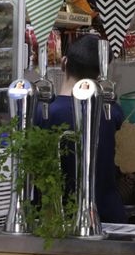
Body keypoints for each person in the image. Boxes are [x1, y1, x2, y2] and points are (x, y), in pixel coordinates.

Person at [37, 35, 126, 224]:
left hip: (56, 220)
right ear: (102, 71)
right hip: (108, 216)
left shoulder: (43, 113)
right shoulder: (113, 112)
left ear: (63, 63)